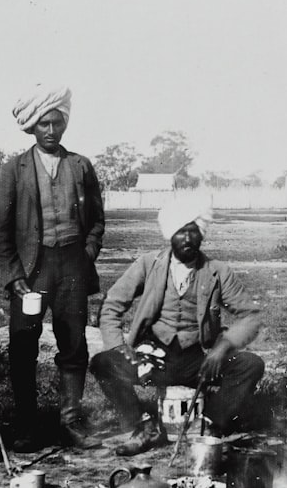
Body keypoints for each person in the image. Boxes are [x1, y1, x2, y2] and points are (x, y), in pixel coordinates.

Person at [89, 195, 265, 456]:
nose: (187, 239)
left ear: (202, 235)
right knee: (103, 362)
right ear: (169, 234)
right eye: (180, 231)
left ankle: (209, 425)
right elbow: (112, 304)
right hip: (153, 358)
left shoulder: (218, 271)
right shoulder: (149, 264)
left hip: (200, 360)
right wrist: (119, 346)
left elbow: (251, 316)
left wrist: (222, 347)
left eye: (193, 231)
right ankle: (144, 427)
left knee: (251, 365)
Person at [0, 83, 105, 451]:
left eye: (57, 123)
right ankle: (27, 425)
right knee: (23, 346)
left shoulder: (80, 166)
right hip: (32, 268)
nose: (52, 131)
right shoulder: (14, 169)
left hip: (72, 265)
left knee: (73, 345)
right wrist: (13, 277)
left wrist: (87, 253)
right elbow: (2, 230)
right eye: (44, 124)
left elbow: (97, 220)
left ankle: (70, 421)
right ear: (32, 127)